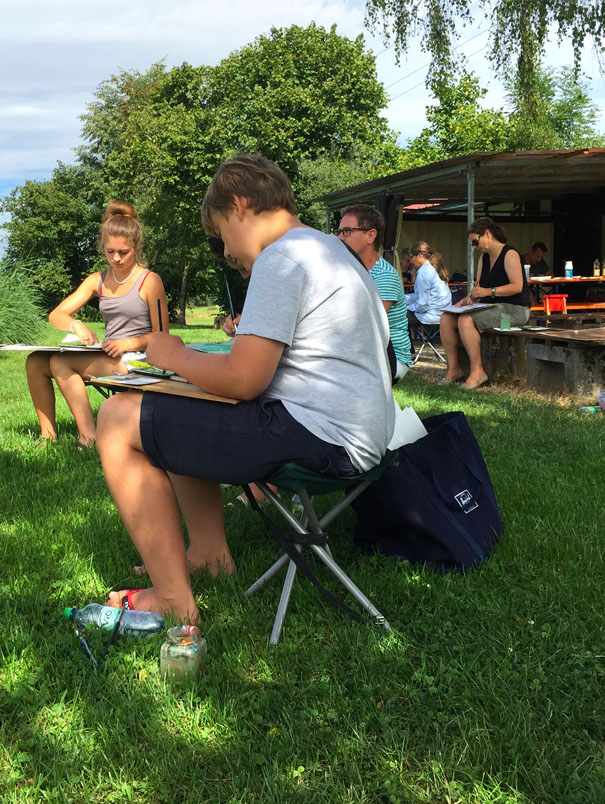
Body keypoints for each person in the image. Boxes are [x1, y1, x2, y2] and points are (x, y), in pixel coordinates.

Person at [96, 154, 395, 622]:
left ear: (237, 205)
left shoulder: (283, 256)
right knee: (177, 404)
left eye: (221, 234)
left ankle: (172, 600)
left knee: (116, 417)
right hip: (362, 437)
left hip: (320, 436)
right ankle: (207, 555)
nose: (228, 252)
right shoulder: (332, 251)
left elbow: (243, 379)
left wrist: (172, 354)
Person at [25, 201, 168, 448]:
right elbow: (57, 314)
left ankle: (89, 436)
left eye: (123, 252)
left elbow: (163, 337)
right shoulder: (97, 280)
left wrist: (127, 343)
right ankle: (47, 436)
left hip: (138, 359)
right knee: (35, 361)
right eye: (110, 251)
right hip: (109, 354)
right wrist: (77, 326)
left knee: (60, 362)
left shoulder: (150, 281)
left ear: (136, 247)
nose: (116, 258)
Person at [439, 217, 530, 390]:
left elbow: (517, 286)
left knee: (466, 320)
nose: (474, 247)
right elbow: (479, 287)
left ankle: (477, 372)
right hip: (491, 308)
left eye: (475, 241)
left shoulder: (510, 254)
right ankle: (454, 369)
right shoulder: (484, 258)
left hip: (514, 310)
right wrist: (467, 299)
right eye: (472, 244)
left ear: (487, 234)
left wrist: (489, 292)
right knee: (446, 318)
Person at [337, 203, 412, 382]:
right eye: (339, 231)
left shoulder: (384, 275)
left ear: (371, 235)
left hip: (391, 358)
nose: (339, 237)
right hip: (365, 351)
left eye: (347, 231)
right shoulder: (348, 270)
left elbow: (365, 324)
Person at [404, 241, 452, 346]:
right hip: (442, 314)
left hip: (430, 315)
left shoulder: (424, 273)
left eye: (411, 257)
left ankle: (406, 351)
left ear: (419, 255)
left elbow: (422, 305)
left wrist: (406, 306)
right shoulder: (433, 268)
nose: (410, 261)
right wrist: (402, 299)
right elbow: (420, 297)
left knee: (397, 315)